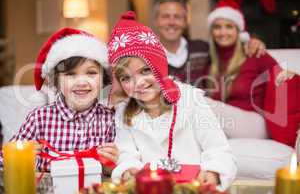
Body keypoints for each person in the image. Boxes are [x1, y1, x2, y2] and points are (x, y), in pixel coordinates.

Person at [108, 11, 237, 191]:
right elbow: (126, 153)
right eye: (126, 78)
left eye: (145, 71)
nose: (138, 83)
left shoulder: (192, 100)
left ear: (160, 68)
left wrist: (213, 173)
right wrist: (129, 170)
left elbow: (219, 150)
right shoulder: (124, 112)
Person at [0, 28, 118, 171]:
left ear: (104, 79)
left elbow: (126, 163)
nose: (81, 82)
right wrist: (20, 156)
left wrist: (117, 163)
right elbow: (3, 159)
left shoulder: (111, 120)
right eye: (70, 74)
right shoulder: (39, 119)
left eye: (91, 73)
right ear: (56, 81)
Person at [202, 0, 280, 139]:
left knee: (200, 103)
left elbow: (284, 79)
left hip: (256, 124)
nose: (223, 32)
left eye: (229, 26)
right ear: (212, 32)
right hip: (228, 125)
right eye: (217, 27)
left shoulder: (254, 54)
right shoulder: (211, 63)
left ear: (238, 31)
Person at [153, 0, 266, 87]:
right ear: (156, 21)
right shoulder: (146, 57)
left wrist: (251, 42)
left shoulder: (203, 49)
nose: (172, 22)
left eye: (177, 17)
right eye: (165, 16)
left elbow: (230, 50)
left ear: (186, 21)